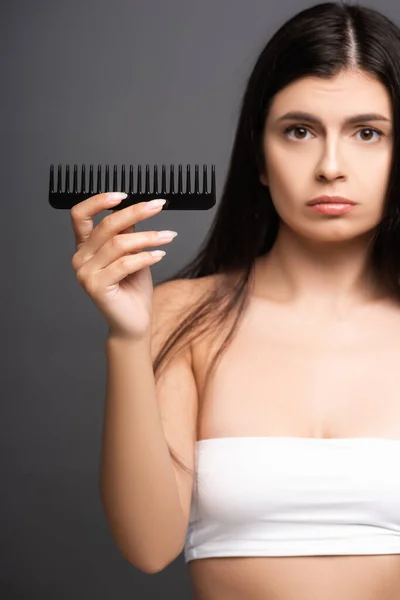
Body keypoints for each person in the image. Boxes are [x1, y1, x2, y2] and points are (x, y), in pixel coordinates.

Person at [69, 1, 400, 598]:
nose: (330, 167)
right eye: (299, 131)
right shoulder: (182, 316)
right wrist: (127, 335)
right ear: (260, 157)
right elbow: (149, 547)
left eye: (367, 133)